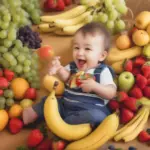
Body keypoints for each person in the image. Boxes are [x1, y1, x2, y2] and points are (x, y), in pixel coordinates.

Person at [22, 22, 117, 128]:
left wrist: (95, 86)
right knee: (50, 102)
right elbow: (67, 78)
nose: (80, 53)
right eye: (76, 47)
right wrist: (59, 69)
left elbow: (111, 92)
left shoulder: (102, 71)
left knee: (98, 116)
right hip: (65, 105)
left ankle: (64, 124)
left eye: (87, 49)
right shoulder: (73, 67)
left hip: (89, 110)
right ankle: (32, 114)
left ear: (102, 56)